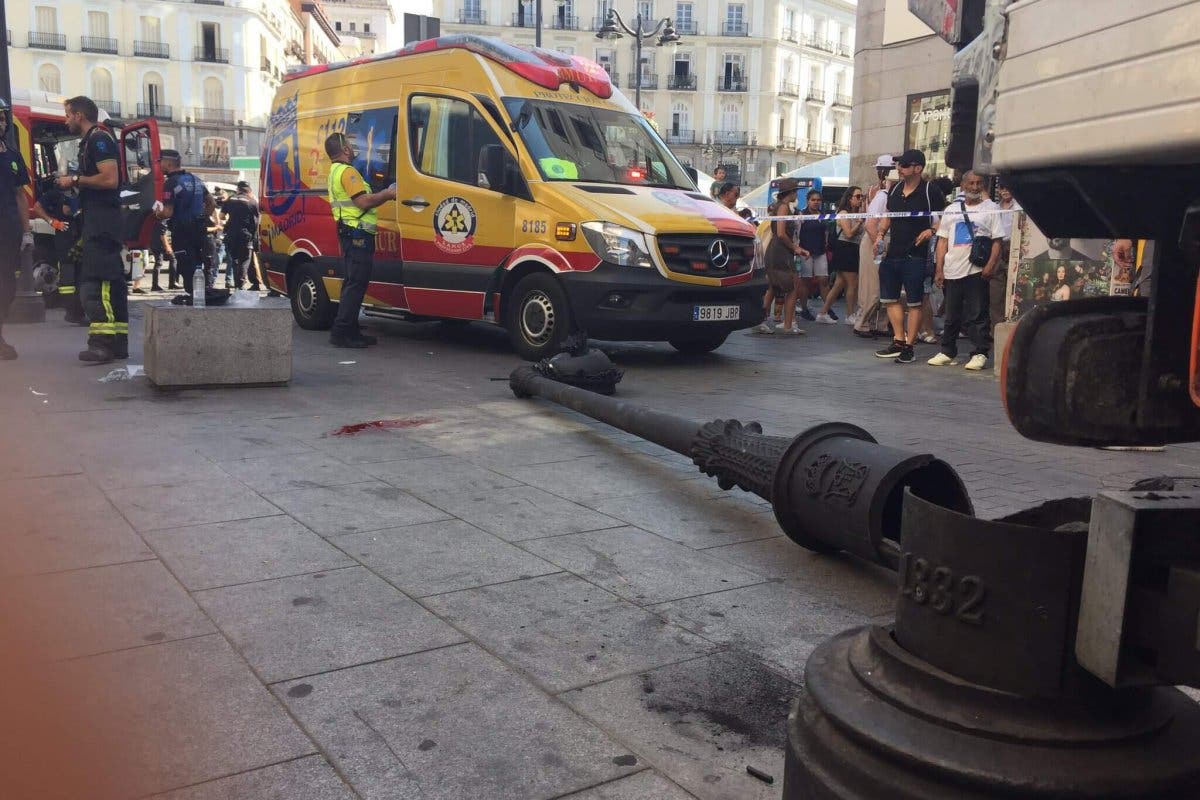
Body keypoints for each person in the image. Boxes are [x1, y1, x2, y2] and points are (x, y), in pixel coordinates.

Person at [57, 97, 126, 363]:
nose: (65, 120)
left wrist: (74, 179)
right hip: (98, 220)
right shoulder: (94, 140)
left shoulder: (99, 139)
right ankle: (117, 342)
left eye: (67, 115)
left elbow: (110, 179)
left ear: (78, 115)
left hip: (102, 222)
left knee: (97, 283)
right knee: (110, 282)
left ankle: (102, 343)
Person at [872, 149, 945, 364]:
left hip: (916, 254)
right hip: (893, 252)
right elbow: (889, 216)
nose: (899, 169)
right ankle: (898, 340)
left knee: (915, 302)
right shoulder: (894, 191)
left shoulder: (931, 190)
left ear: (917, 168)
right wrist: (880, 235)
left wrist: (932, 230)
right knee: (890, 298)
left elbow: (945, 218)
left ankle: (910, 346)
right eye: (898, 165)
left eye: (903, 165)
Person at [325, 132, 396, 348]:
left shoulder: (334, 171)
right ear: (345, 150)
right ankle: (342, 332)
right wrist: (388, 193)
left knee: (352, 282)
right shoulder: (348, 172)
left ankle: (351, 329)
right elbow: (363, 202)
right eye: (350, 144)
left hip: (349, 232)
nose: (353, 147)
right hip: (357, 234)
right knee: (356, 283)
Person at [928, 170, 1001, 371]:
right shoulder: (952, 209)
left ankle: (980, 352)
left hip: (976, 269)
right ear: (963, 185)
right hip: (953, 269)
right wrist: (939, 269)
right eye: (971, 183)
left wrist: (990, 265)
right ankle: (947, 351)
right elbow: (942, 241)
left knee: (978, 313)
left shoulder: (991, 208)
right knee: (951, 314)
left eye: (979, 183)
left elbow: (997, 241)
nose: (975, 187)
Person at [0, 98, 33, 361]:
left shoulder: (12, 156)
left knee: (7, 287)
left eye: (2, 118)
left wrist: (26, 231)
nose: (0, 123)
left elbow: (20, 195)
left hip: (8, 232)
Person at [155, 149, 212, 294]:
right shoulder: (196, 179)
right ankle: (201, 294)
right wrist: (203, 218)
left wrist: (156, 213)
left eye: (159, 162)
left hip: (182, 230)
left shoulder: (171, 182)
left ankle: (193, 299)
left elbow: (167, 212)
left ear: (168, 163)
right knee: (198, 265)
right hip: (199, 230)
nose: (158, 165)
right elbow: (211, 203)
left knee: (186, 268)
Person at [30, 176, 84, 322]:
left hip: (78, 234)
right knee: (68, 274)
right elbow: (36, 207)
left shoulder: (80, 192)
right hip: (64, 235)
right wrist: (52, 221)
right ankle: (72, 311)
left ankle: (77, 310)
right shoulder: (54, 194)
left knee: (79, 274)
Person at [756, 179, 805, 335]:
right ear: (789, 193)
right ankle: (788, 324)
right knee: (791, 289)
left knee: (772, 286)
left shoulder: (779, 207)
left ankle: (760, 320)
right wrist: (795, 248)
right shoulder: (783, 207)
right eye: (795, 191)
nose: (796, 194)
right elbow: (782, 233)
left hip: (775, 249)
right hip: (781, 251)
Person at [854, 154, 895, 337]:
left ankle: (880, 324)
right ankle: (862, 323)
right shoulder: (881, 195)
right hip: (875, 241)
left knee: (884, 284)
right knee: (871, 286)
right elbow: (870, 224)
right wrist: (880, 245)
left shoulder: (882, 193)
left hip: (880, 240)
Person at [817, 186, 864, 325]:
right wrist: (859, 222)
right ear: (850, 198)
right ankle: (850, 315)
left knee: (839, 284)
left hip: (852, 249)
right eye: (858, 196)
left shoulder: (856, 213)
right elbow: (849, 234)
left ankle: (823, 313)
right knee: (852, 284)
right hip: (845, 248)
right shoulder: (844, 212)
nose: (860, 199)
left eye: (862, 196)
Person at [795, 189, 829, 322]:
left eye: (818, 200)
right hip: (805, 252)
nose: (816, 202)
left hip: (820, 251)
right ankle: (804, 309)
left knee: (824, 280)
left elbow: (826, 231)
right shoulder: (802, 214)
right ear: (808, 201)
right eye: (813, 200)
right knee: (805, 281)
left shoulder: (823, 215)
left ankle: (826, 309)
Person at [990, 181, 1020, 331]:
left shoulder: (1019, 207)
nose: (1005, 190)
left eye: (1007, 187)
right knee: (996, 289)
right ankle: (996, 328)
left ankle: (1014, 325)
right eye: (1002, 187)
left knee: (1014, 287)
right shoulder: (995, 208)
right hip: (997, 246)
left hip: (1015, 246)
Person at [222, 181, 260, 290]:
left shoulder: (230, 199)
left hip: (231, 235)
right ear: (248, 191)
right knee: (245, 260)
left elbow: (221, 216)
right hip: (246, 235)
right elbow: (256, 221)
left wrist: (231, 219)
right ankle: (240, 285)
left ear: (238, 190)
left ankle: (239, 284)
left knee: (235, 260)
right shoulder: (252, 202)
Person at [146, 218, 176, 291]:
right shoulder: (162, 220)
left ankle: (157, 284)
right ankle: (170, 284)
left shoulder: (155, 219)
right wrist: (167, 247)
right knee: (172, 260)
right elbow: (162, 235)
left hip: (154, 244)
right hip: (160, 245)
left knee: (159, 263)